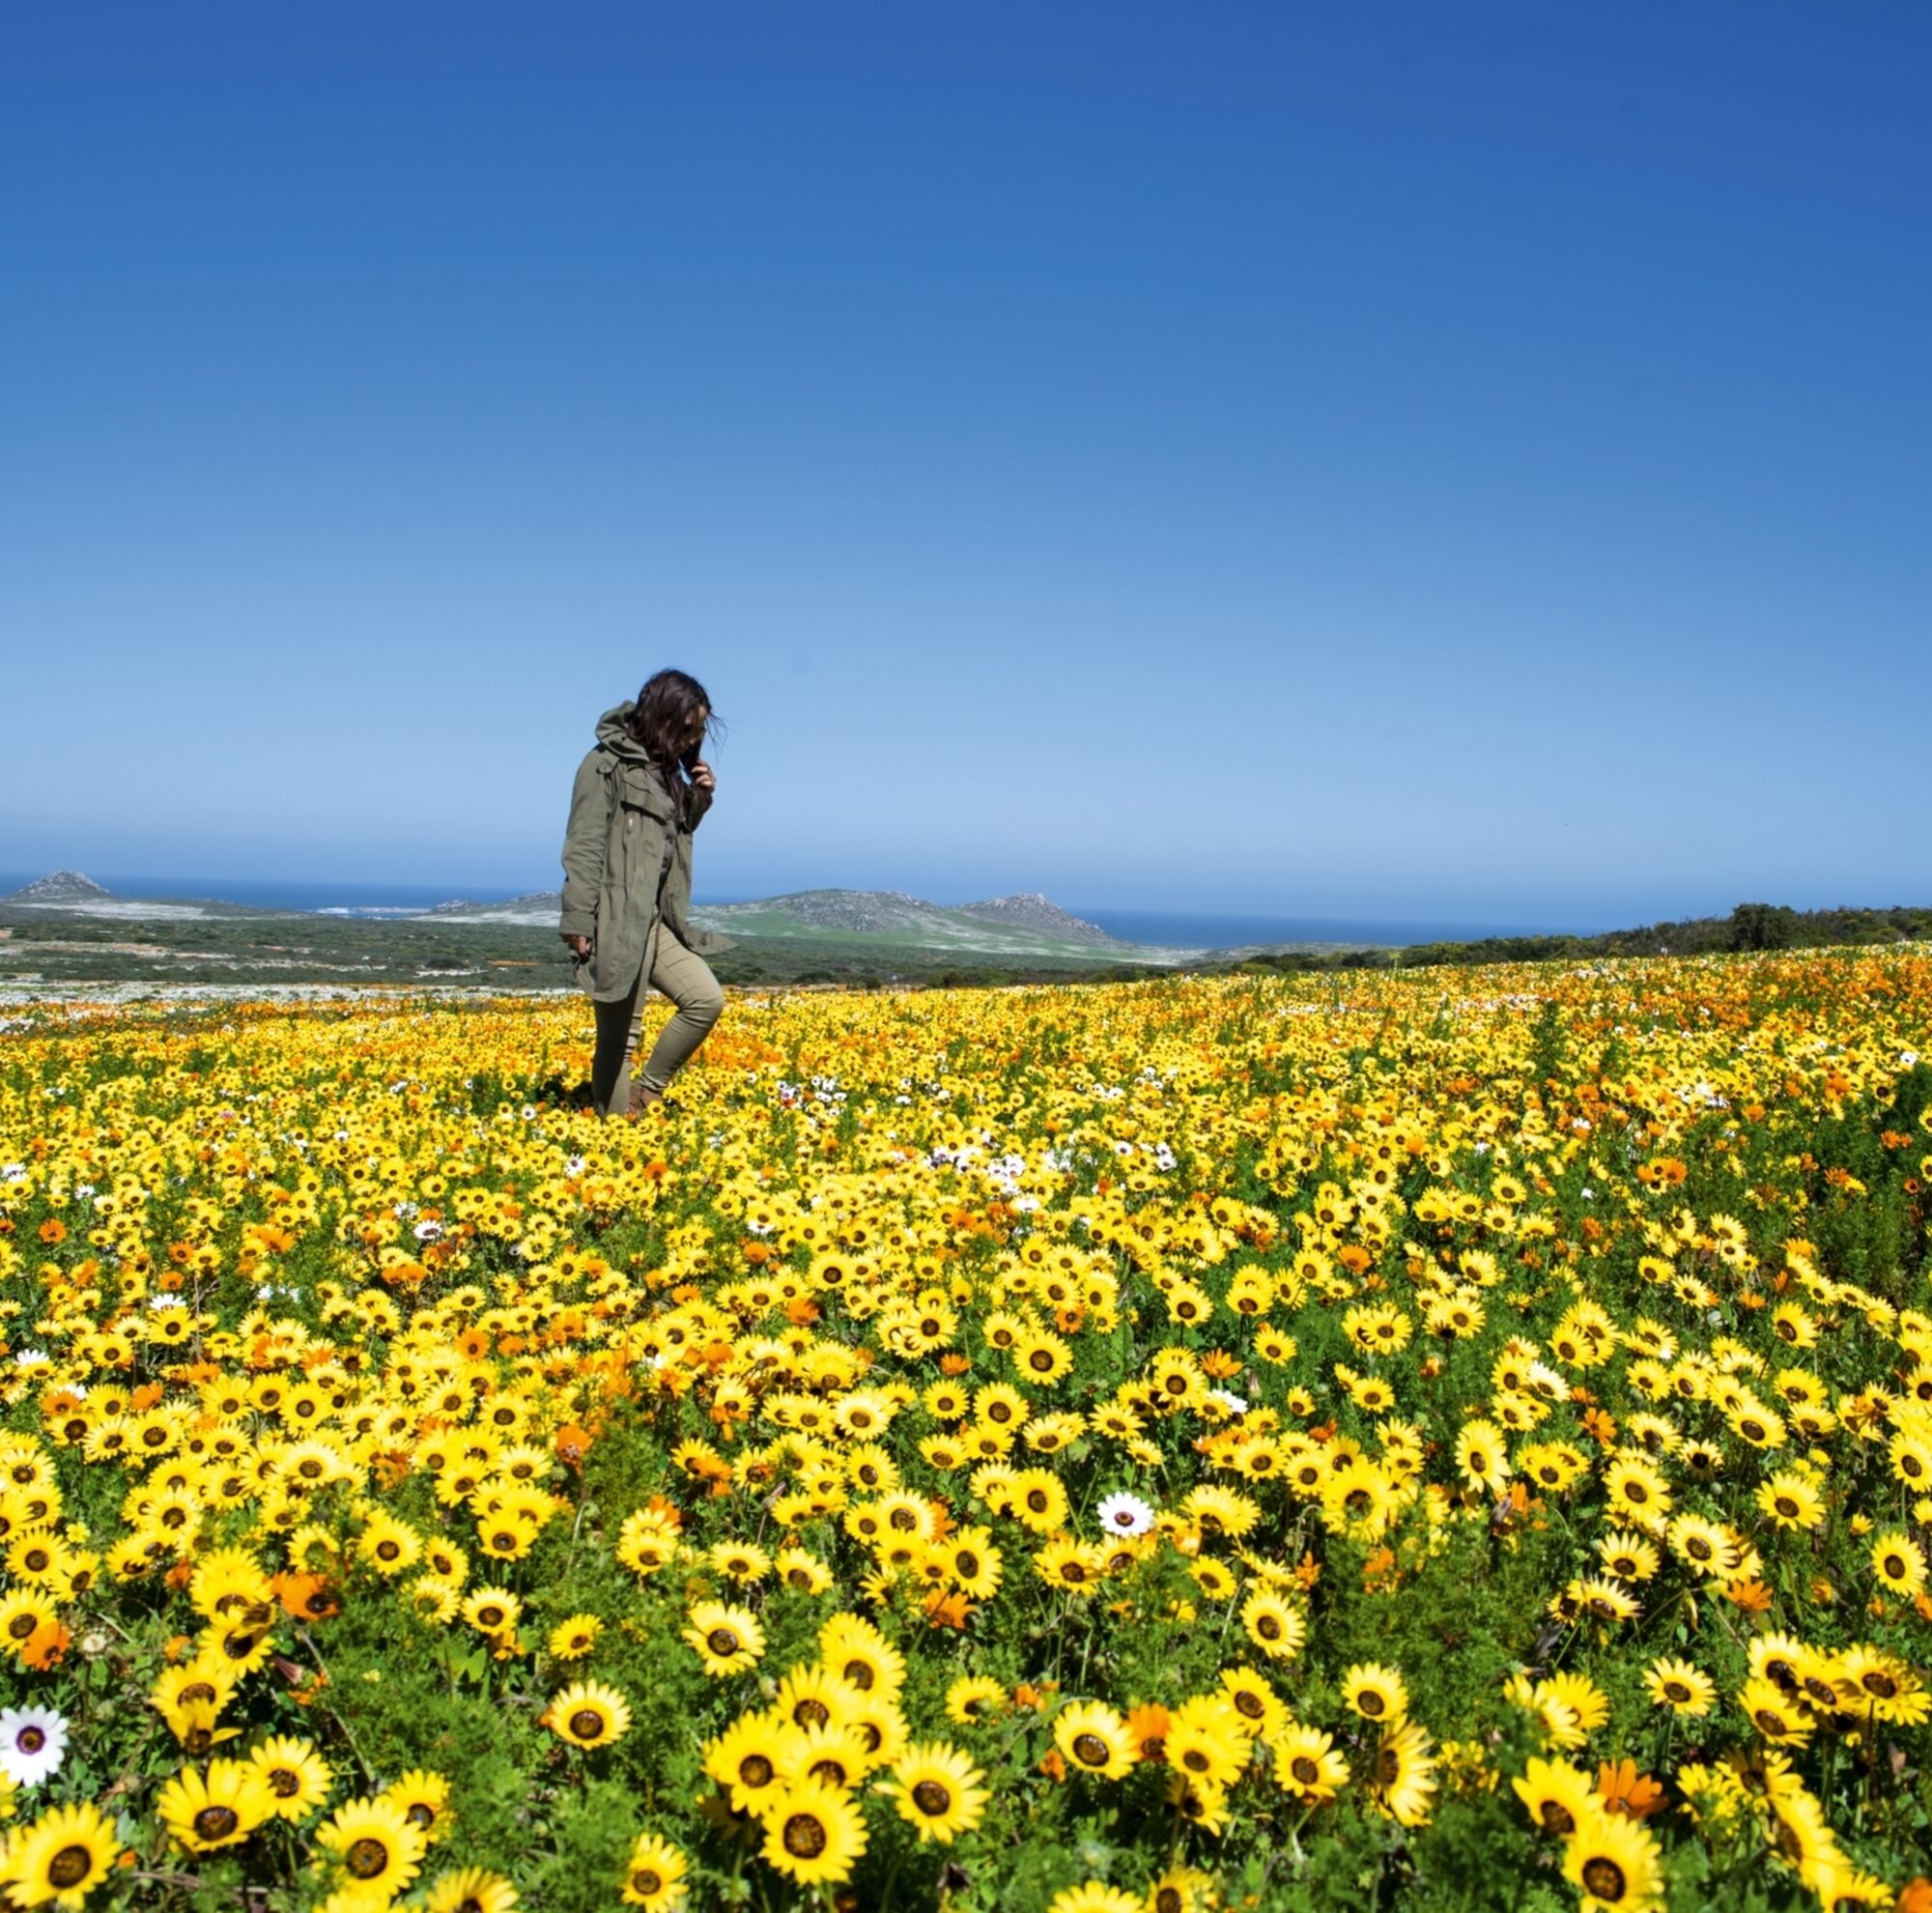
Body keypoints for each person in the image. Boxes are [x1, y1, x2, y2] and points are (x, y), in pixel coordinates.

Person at [558, 670, 731, 1116]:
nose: (693, 735)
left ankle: (646, 1091)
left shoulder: (665, 771)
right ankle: (611, 1132)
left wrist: (699, 797)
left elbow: (670, 836)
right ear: (663, 715)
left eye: (698, 728)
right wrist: (579, 919)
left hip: (655, 920)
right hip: (615, 917)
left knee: (705, 999)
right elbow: (584, 845)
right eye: (688, 725)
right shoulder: (605, 764)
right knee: (620, 1039)